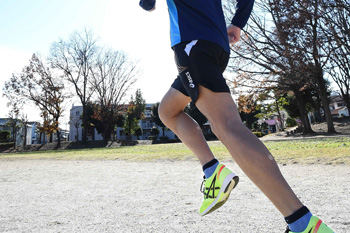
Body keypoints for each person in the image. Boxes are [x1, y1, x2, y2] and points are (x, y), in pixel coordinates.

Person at [139, 0, 335, 232]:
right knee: (168, 111)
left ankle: (302, 223)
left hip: (192, 44)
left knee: (227, 126)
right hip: (217, 45)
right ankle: (212, 171)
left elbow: (148, 5)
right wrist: (238, 23)